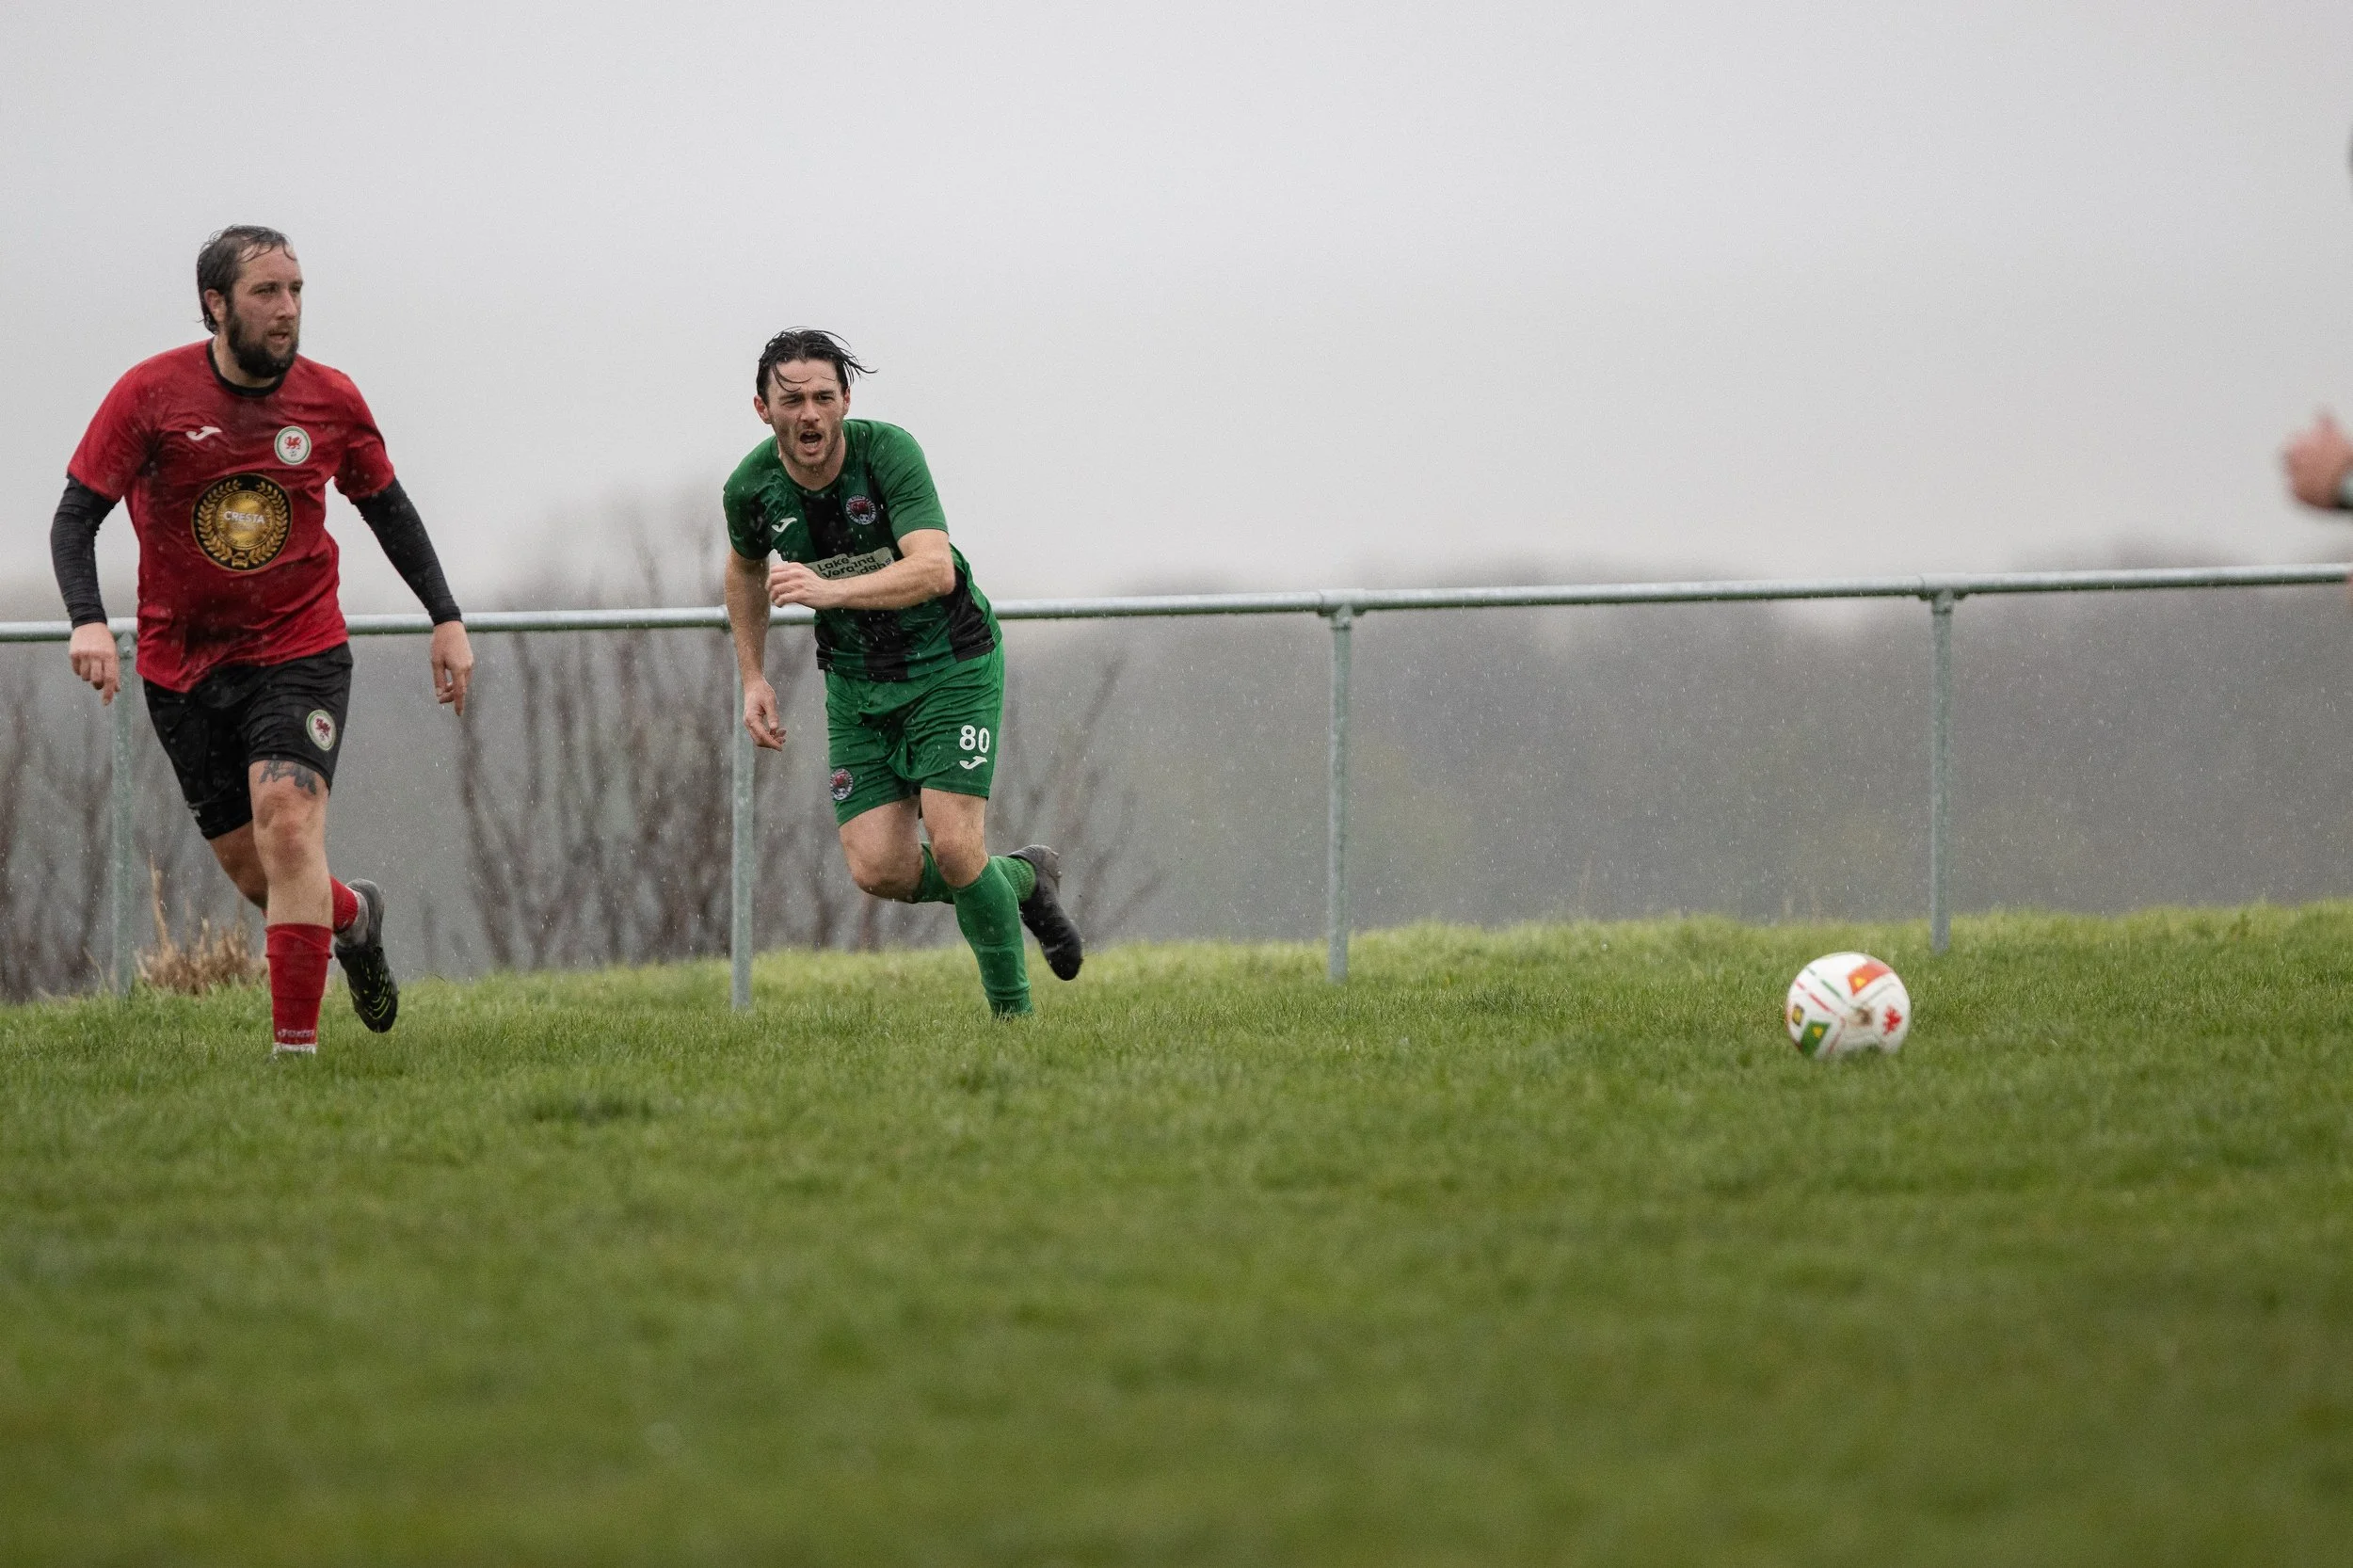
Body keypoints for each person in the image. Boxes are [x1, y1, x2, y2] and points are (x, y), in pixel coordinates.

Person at [51, 225, 472, 1054]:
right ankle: (355, 918)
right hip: (182, 667)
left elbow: (387, 507)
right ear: (215, 305)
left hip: (299, 650)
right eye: (266, 293)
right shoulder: (149, 394)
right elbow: (76, 517)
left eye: (296, 291)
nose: (287, 311)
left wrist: (446, 616)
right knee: (263, 877)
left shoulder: (331, 399)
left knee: (288, 828)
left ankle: (294, 1060)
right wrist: (87, 620)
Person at [721, 328, 1081, 1016]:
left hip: (951, 665)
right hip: (857, 683)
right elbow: (742, 569)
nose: (810, 414)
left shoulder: (890, 454)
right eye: (791, 399)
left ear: (846, 400)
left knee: (951, 846)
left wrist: (830, 592)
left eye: (824, 396)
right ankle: (1022, 880)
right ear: (763, 409)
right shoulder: (750, 488)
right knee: (878, 869)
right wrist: (752, 677)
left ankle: (1016, 1028)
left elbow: (933, 568)